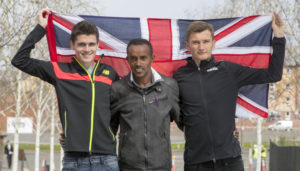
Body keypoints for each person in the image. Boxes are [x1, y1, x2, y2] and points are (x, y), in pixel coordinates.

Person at [173, 13, 285, 171]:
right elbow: (174, 111)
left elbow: (273, 74)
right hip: (195, 162)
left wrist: (279, 37)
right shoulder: (179, 76)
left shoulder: (228, 71)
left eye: (205, 41)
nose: (201, 47)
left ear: (213, 43)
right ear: (187, 45)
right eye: (195, 42)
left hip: (229, 160)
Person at [11, 9, 119, 171]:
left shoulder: (110, 73)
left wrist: (110, 135)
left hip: (107, 159)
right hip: (74, 161)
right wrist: (41, 28)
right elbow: (19, 60)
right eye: (81, 44)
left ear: (97, 45)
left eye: (91, 44)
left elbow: (117, 109)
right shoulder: (59, 71)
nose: (87, 49)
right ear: (72, 45)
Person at [110, 38, 183, 170]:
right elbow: (109, 130)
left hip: (161, 166)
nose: (138, 63)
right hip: (128, 167)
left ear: (152, 58)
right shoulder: (118, 89)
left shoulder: (169, 86)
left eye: (143, 58)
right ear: (127, 59)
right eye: (133, 58)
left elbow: (184, 123)